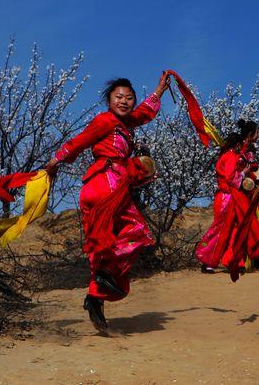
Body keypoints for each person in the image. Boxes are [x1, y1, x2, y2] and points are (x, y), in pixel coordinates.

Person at [43, 72, 170, 332]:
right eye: (118, 97)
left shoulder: (125, 124)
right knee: (137, 231)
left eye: (129, 98)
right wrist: (56, 160)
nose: (124, 101)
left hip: (96, 187)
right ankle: (105, 278)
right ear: (109, 100)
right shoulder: (105, 121)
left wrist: (158, 92)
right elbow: (80, 141)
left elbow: (144, 114)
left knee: (100, 248)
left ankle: (95, 299)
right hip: (108, 184)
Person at [195, 119, 259, 272]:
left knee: (231, 229)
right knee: (221, 231)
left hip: (228, 196)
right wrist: (243, 173)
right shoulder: (231, 156)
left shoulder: (226, 155)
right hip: (227, 197)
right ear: (237, 145)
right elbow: (231, 177)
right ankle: (208, 260)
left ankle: (230, 260)